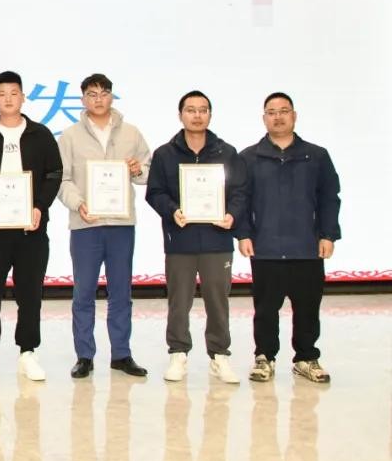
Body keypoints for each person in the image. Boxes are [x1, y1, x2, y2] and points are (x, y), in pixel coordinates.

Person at [0, 71, 63, 382]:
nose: (8, 99)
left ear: (23, 97)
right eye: (2, 93)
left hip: (31, 230)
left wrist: (39, 206)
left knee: (30, 293)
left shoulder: (40, 135)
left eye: (14, 93)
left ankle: (27, 352)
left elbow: (54, 174)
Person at [237, 92, 341, 384]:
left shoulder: (316, 156)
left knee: (308, 307)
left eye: (284, 111)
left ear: (294, 116)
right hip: (266, 247)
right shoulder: (249, 157)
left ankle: (306, 358)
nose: (278, 117)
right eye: (271, 112)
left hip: (307, 247)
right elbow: (240, 200)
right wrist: (243, 234)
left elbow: (329, 198)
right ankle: (264, 357)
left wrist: (328, 234)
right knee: (265, 309)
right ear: (264, 118)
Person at [146, 90, 246, 384]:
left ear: (210, 115)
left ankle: (220, 355)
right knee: (179, 301)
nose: (197, 115)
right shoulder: (165, 154)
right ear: (181, 115)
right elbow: (155, 192)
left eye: (203, 110)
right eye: (191, 110)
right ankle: (178, 353)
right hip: (180, 240)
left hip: (218, 240)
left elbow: (240, 191)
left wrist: (232, 215)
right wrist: (172, 210)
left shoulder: (227, 152)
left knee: (218, 300)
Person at [56, 73, 151, 379]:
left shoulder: (131, 133)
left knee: (121, 292)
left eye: (104, 93)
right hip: (86, 224)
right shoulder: (70, 136)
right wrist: (78, 204)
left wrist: (138, 170)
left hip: (121, 224)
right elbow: (62, 179)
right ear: (83, 99)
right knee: (83, 292)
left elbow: (148, 171)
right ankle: (84, 355)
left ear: (112, 96)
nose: (98, 99)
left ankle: (121, 354)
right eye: (92, 94)